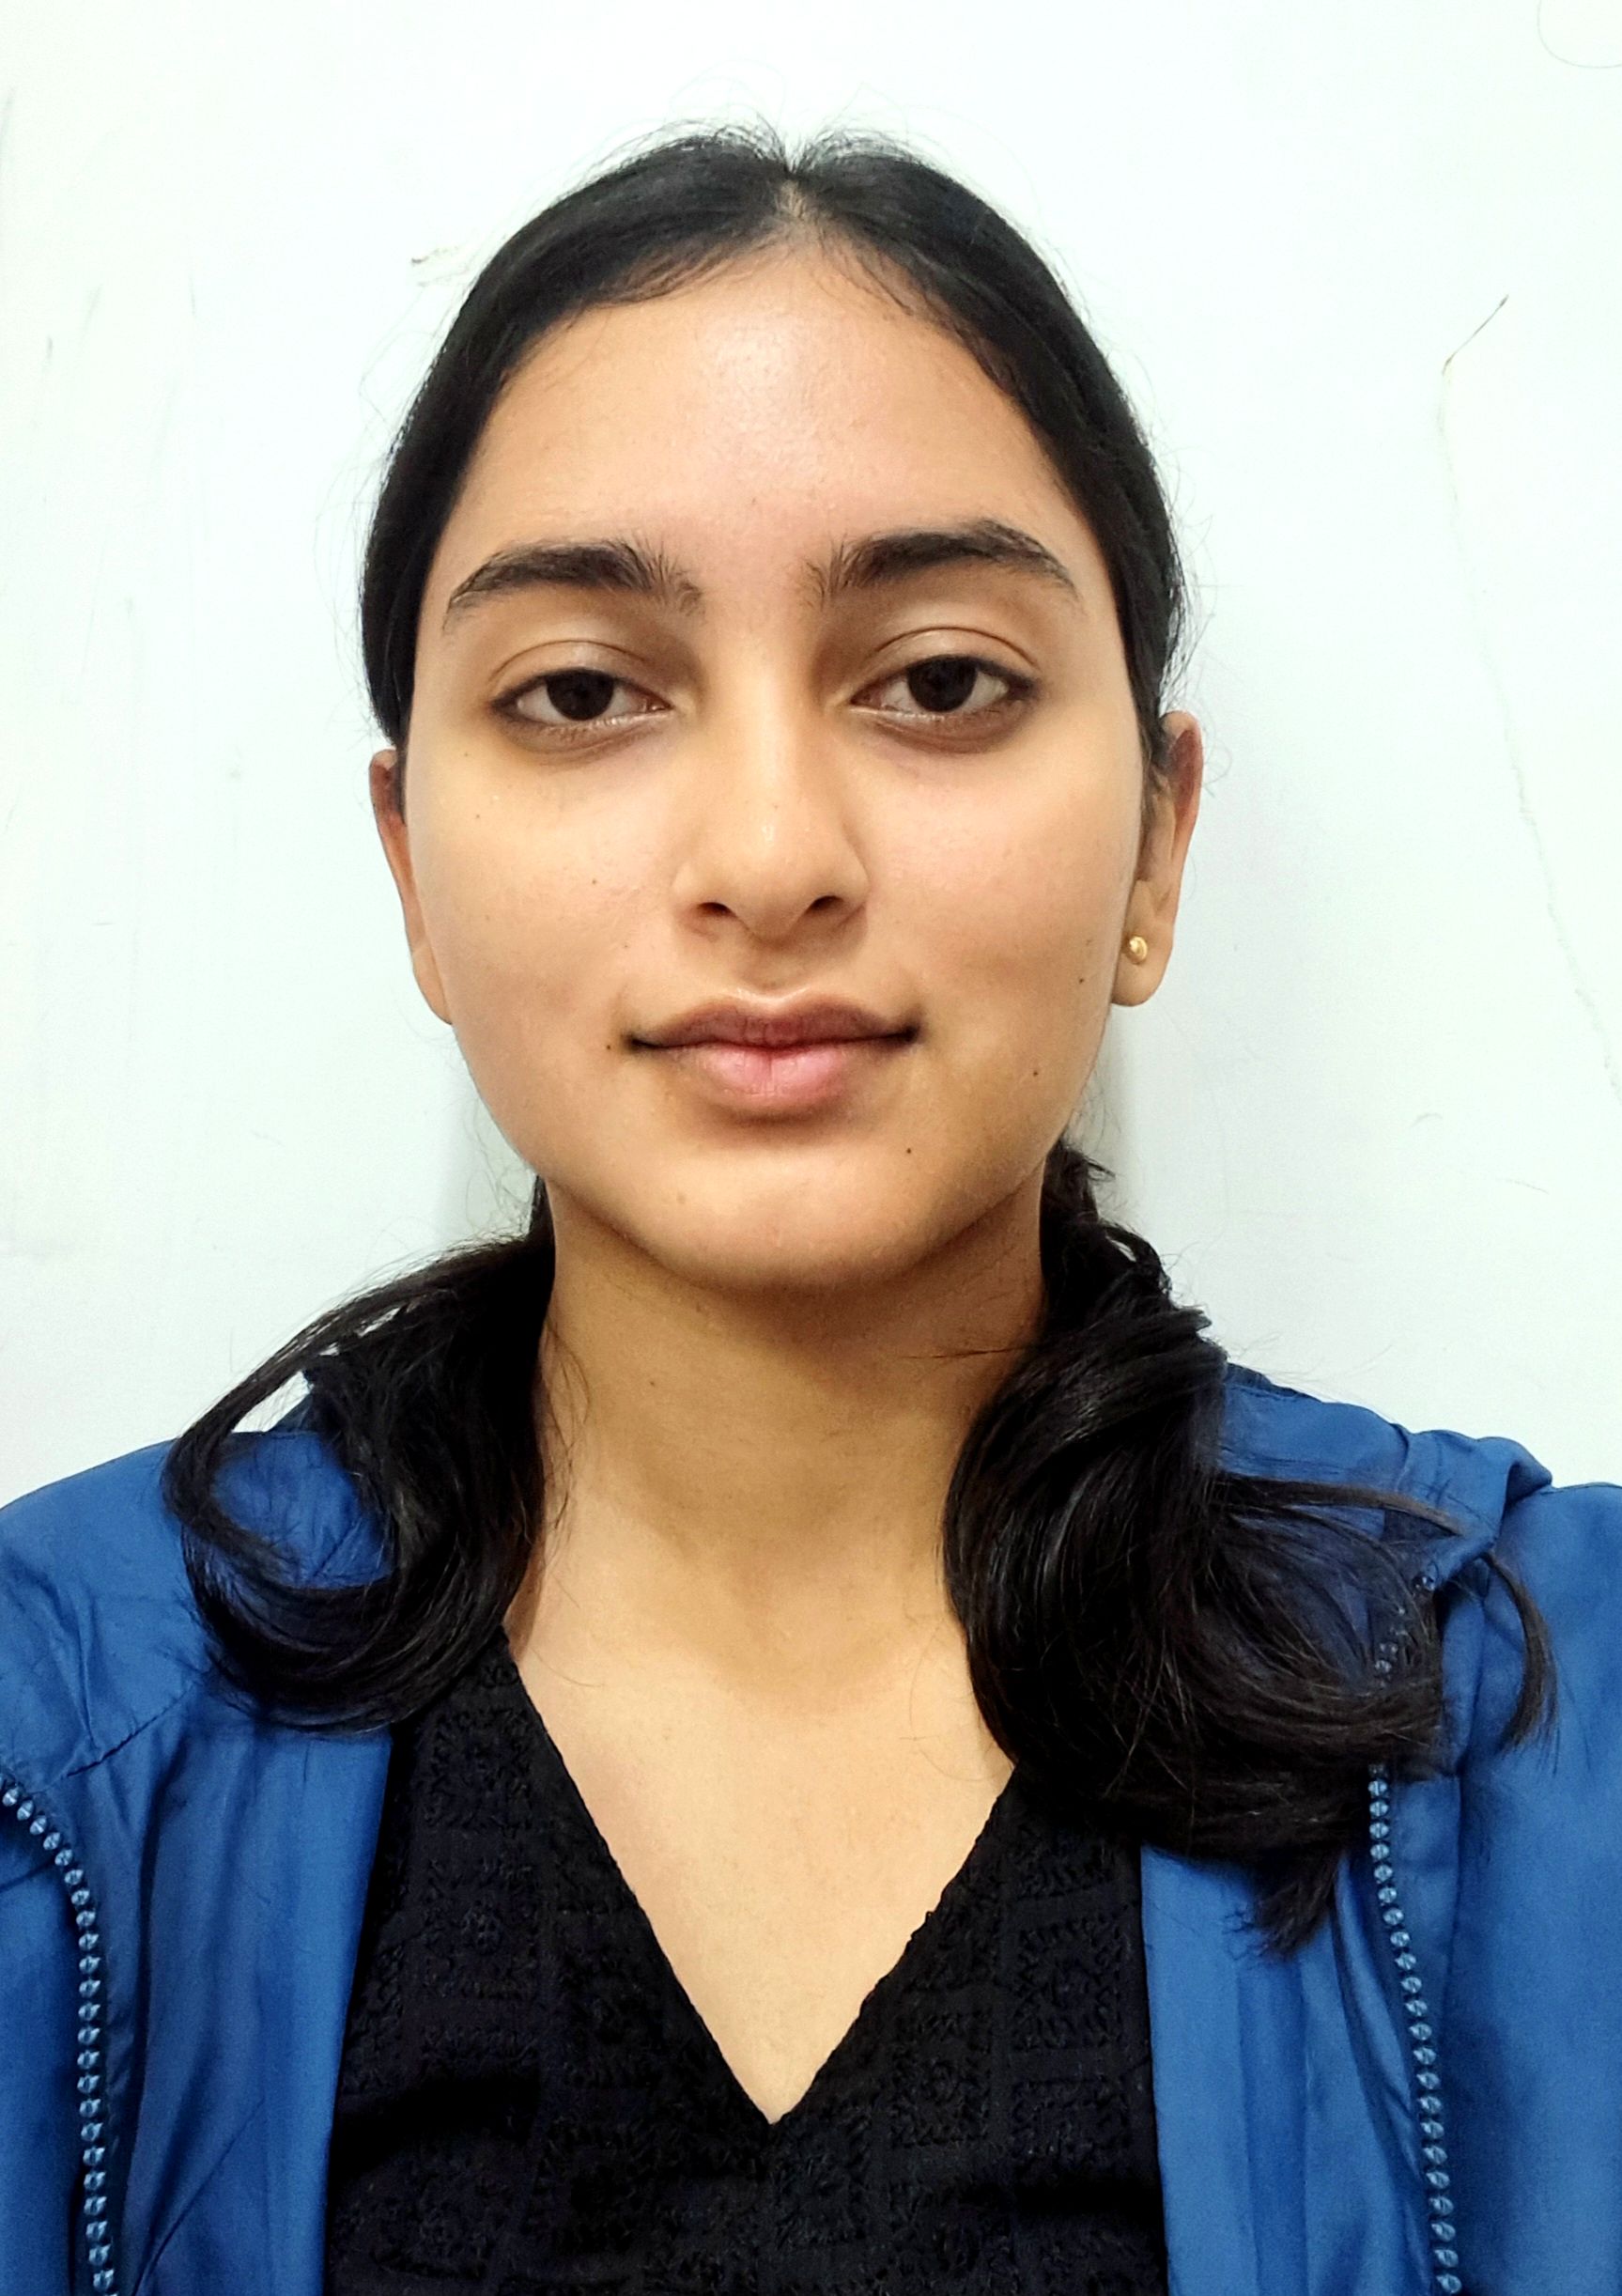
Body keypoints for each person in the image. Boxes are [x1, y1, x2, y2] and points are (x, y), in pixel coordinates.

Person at [1, 120, 1616, 2296]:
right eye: (584, 693)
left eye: (939, 681)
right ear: (412, 873)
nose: (771, 858)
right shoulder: (48, 1735)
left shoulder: (1554, 1721)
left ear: (1156, 846)